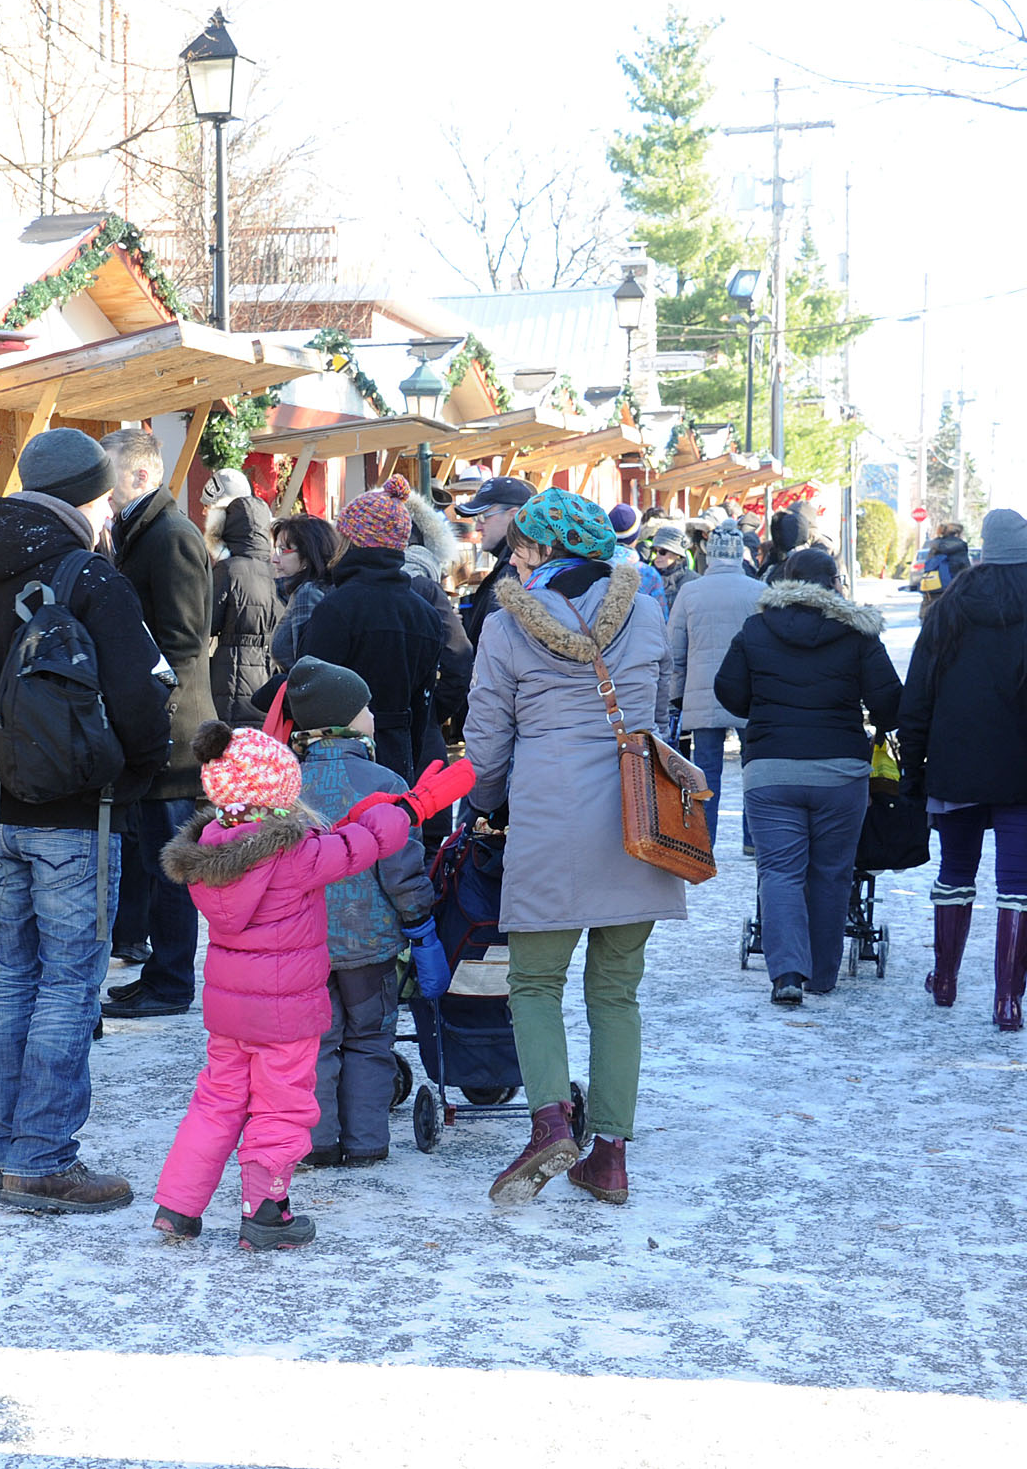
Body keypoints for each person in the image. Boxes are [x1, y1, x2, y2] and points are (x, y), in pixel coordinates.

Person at [0, 427, 173, 1212]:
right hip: (73, 814)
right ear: (89, 492)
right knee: (71, 980)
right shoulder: (90, 575)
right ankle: (41, 1157)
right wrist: (135, 777)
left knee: (10, 973)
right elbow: (143, 698)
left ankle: (1, 1147)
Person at [151, 722, 469, 1249]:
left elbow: (332, 835)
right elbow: (360, 845)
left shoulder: (212, 846)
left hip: (230, 1015)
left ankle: (178, 1207)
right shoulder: (294, 856)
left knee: (216, 1102)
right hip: (285, 1015)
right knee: (280, 1108)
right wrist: (410, 808)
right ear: (277, 793)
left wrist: (364, 814)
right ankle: (267, 1213)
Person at [464, 488, 688, 1206]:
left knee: (534, 983)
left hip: (549, 812)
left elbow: (488, 738)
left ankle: (551, 1123)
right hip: (636, 817)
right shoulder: (647, 609)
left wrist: (485, 805)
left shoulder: (507, 626)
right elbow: (654, 715)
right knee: (616, 991)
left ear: (537, 549)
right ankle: (612, 1154)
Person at [896, 510, 1027, 1031]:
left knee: (955, 874)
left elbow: (918, 696)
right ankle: (1008, 1002)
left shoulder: (949, 612)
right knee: (1018, 884)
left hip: (957, 765)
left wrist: (914, 765)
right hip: (1024, 772)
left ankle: (945, 979)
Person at [716, 546, 901, 1006]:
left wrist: (762, 709)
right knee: (832, 873)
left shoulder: (757, 628)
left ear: (783, 580)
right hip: (840, 772)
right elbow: (890, 704)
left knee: (778, 871)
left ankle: (787, 975)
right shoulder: (857, 633)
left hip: (771, 770)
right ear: (834, 583)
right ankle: (822, 975)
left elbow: (730, 692)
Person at [279, 658, 437, 1168]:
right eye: (366, 707)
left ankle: (318, 1143)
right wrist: (420, 923)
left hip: (302, 945)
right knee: (370, 1038)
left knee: (317, 1043)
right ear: (347, 719)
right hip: (370, 946)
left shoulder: (285, 789)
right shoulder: (385, 782)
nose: (374, 714)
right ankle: (368, 1142)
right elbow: (401, 868)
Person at [102, 428, 217, 1021]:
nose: (104, 487)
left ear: (141, 476)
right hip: (155, 726)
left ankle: (172, 983)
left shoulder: (170, 535)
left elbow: (183, 640)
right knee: (155, 862)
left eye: (111, 474)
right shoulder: (138, 531)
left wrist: (142, 698)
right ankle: (161, 975)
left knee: (172, 866)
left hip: (173, 733)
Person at [298, 476, 447, 781]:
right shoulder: (425, 614)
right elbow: (424, 706)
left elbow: (310, 693)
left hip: (339, 760)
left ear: (353, 540)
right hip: (399, 756)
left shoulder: (337, 608)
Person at [666, 520, 764, 857]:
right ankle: (753, 838)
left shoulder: (691, 592)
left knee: (705, 771)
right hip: (751, 696)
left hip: (703, 692)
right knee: (754, 768)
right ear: (740, 555)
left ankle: (704, 840)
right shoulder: (759, 591)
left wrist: (675, 695)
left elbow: (674, 650)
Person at [402, 491, 477, 758]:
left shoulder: (345, 588)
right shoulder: (424, 585)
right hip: (420, 735)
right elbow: (459, 656)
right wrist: (434, 709)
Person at [208, 496, 283, 724]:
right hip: (272, 676)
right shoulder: (278, 571)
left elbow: (208, 623)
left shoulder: (227, 570)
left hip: (231, 674)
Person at [450, 475, 536, 660]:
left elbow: (497, 652)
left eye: (483, 517)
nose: (478, 527)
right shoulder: (513, 565)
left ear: (513, 516)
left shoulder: (515, 571)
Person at [268, 513, 343, 673]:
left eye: (283, 550)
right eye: (275, 550)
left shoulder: (307, 593)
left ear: (308, 555)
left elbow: (306, 669)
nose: (274, 559)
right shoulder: (311, 590)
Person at [646, 523, 695, 611]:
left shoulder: (691, 581)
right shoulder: (645, 577)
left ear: (677, 554)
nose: (657, 555)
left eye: (663, 551)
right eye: (654, 551)